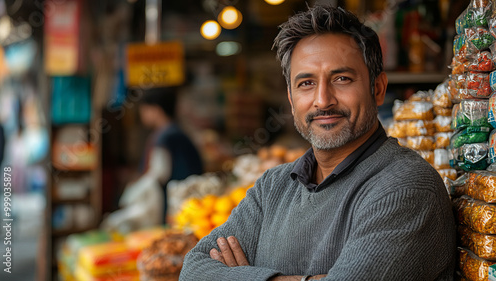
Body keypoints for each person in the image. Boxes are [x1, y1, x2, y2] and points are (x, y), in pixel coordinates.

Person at [180, 5, 456, 281]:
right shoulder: (272, 187)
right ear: (291, 99)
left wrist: (244, 276)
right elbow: (193, 271)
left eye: (342, 79)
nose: (323, 100)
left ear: (378, 89)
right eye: (306, 83)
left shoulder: (405, 188)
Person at [102, 87, 203, 232]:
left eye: (144, 109)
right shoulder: (176, 133)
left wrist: (132, 194)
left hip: (172, 208)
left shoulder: (165, 137)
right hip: (187, 206)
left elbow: (157, 175)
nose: (142, 114)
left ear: (155, 109)